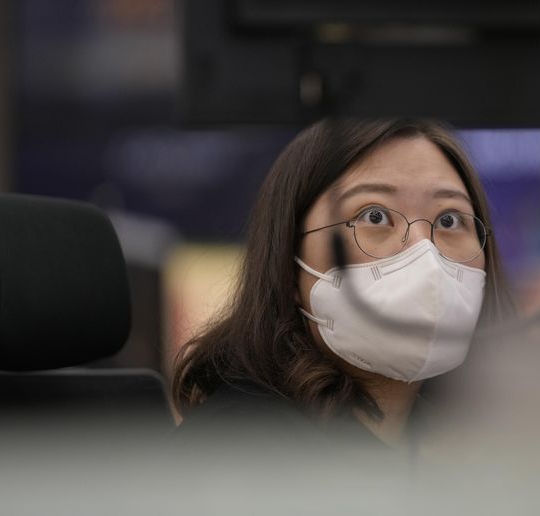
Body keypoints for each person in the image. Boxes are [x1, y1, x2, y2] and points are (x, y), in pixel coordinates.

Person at [172, 118, 515, 450]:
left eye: (450, 220)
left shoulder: (479, 449)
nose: (426, 255)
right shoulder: (234, 449)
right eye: (374, 216)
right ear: (288, 262)